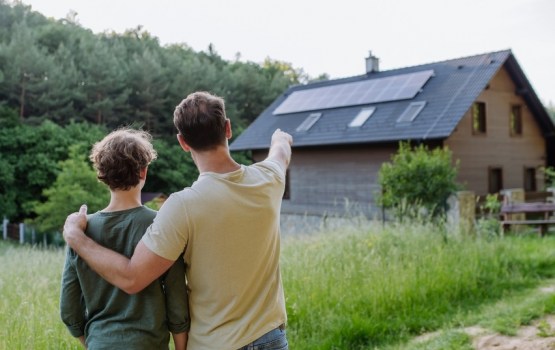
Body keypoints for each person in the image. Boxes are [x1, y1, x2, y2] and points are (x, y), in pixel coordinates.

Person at [63, 91, 293, 349]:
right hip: (272, 338)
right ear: (228, 128)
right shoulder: (269, 178)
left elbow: (131, 278)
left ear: (182, 142)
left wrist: (75, 237)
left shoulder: (181, 206)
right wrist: (280, 138)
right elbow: (280, 154)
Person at [60, 128, 190, 350]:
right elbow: (176, 300)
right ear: (144, 171)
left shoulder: (80, 231)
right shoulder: (160, 225)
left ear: (101, 175)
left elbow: (69, 309)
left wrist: (95, 341)